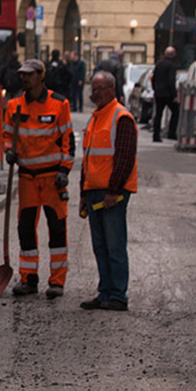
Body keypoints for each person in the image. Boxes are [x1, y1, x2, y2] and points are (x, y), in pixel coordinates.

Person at [2, 59, 74, 299]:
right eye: (22, 74)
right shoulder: (14, 105)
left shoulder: (59, 104)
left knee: (56, 229)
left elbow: (68, 140)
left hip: (52, 177)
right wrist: (8, 151)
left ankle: (57, 282)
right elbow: (7, 134)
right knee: (26, 228)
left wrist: (65, 169)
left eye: (30, 75)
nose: (25, 78)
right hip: (27, 178)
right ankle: (28, 279)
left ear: (41, 77)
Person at [79, 72, 137, 312]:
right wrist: (83, 192)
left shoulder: (121, 117)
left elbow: (124, 158)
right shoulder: (95, 118)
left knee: (114, 246)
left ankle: (117, 295)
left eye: (100, 88)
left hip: (112, 193)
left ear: (112, 89)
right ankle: (105, 292)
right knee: (100, 246)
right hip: (94, 191)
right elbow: (88, 159)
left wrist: (113, 191)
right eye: (93, 89)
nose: (95, 93)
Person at [151, 46, 179, 142]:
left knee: (158, 114)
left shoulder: (159, 64)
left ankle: (156, 135)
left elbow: (153, 78)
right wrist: (174, 95)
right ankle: (171, 133)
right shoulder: (172, 66)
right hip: (168, 94)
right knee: (175, 111)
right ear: (172, 55)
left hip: (159, 93)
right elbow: (171, 81)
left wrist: (155, 89)